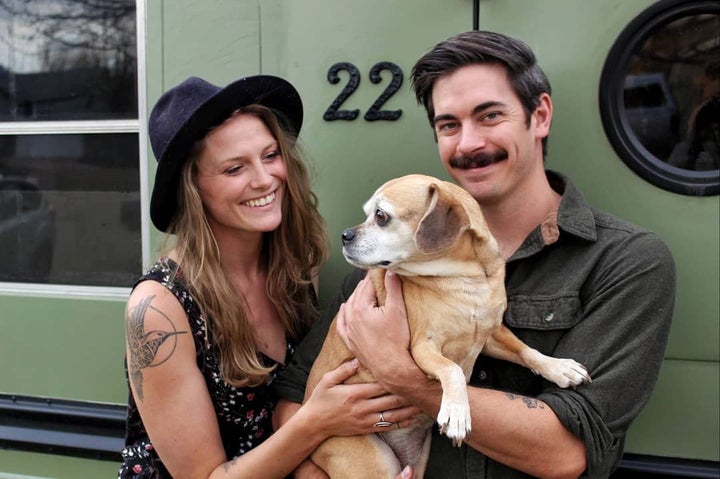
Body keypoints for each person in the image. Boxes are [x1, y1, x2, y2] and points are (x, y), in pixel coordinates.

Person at [273, 31, 676, 478]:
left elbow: (565, 453)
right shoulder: (390, 262)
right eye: (449, 125)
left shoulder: (626, 262)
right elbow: (293, 403)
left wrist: (402, 374)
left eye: (490, 116)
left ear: (540, 115)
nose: (468, 143)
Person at [119, 75, 419, 479]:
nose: (264, 179)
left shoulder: (296, 266)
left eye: (271, 155)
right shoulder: (160, 307)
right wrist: (316, 422)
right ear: (192, 189)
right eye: (234, 168)